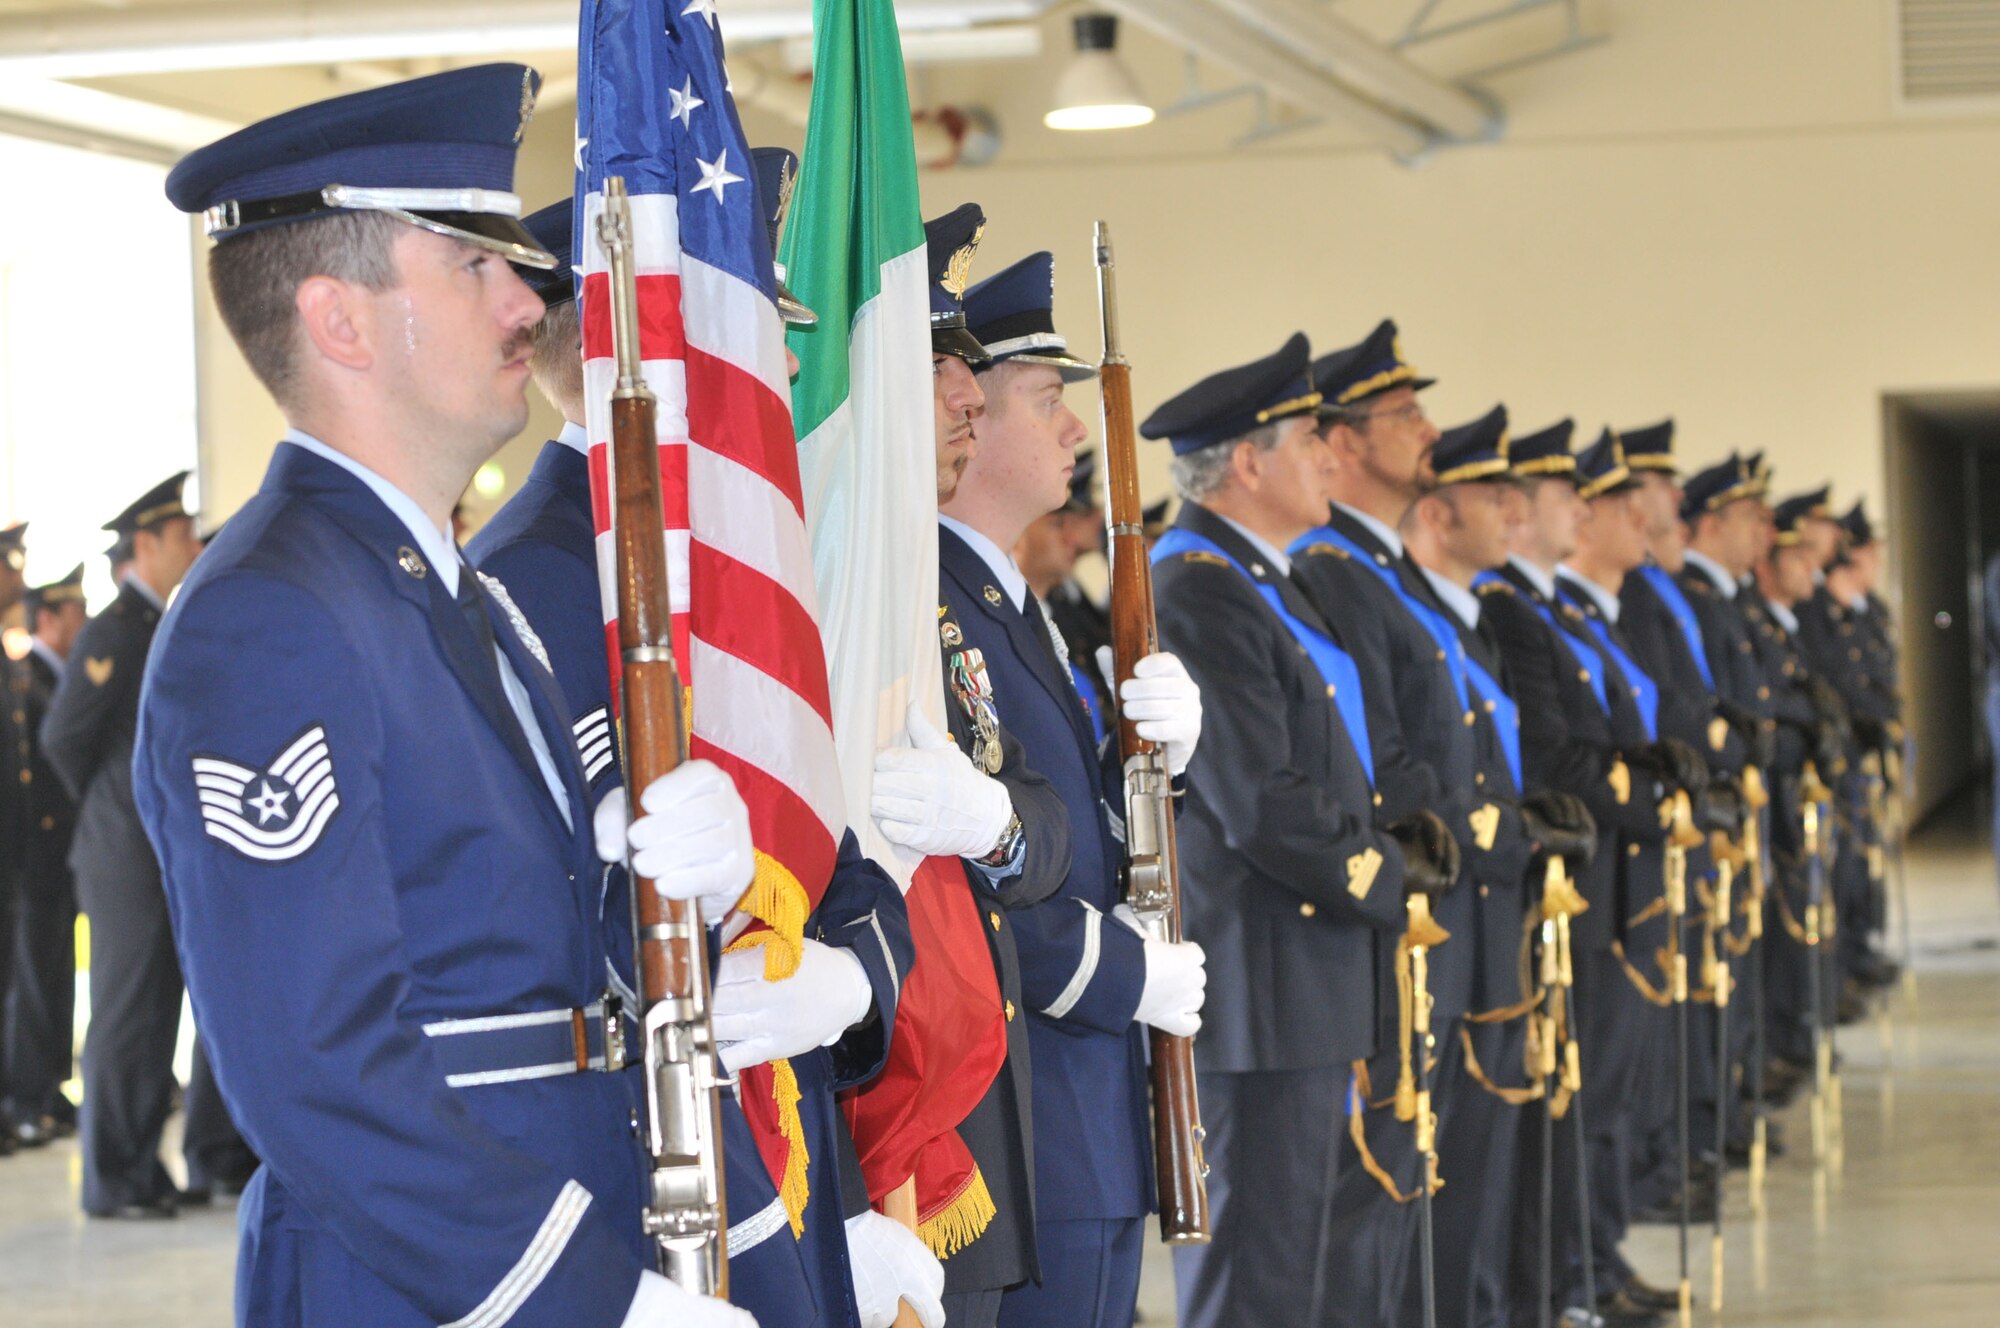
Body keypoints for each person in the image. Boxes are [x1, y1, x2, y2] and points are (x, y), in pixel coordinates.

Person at [146, 63, 760, 1326]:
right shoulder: (270, 614)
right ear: (342, 321)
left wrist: (676, 887)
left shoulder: (446, 590)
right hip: (435, 1277)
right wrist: (588, 1296)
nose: (526, 292)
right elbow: (313, 1068)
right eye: (473, 261)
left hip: (562, 1206)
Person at [468, 166, 935, 1328]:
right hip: (673, 1175)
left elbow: (833, 855)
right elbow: (580, 926)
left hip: (796, 1140)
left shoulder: (737, 571)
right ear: (667, 346)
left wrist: (857, 979)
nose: (783, 367)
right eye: (755, 334)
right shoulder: (532, 575)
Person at [1138, 331, 1458, 1328]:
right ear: (1245, 462)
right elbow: (1260, 798)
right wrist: (1387, 872)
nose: (1330, 457)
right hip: (1265, 974)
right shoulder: (1195, 585)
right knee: (1259, 1267)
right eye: (1308, 439)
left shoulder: (1268, 577)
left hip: (1313, 963)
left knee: (1307, 1258)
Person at [950, 249, 1208, 1328]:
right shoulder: (940, 603)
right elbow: (974, 875)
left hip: (1083, 1109)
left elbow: (1082, 831)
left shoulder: (1014, 601)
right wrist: (1124, 977)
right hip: (1026, 1103)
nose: (1073, 430)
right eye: (1047, 399)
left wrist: (1154, 772)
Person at [1290, 327, 1524, 1327]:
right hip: (1403, 908)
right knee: (1384, 1188)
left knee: (1432, 1178)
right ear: (1340, 444)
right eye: (1402, 415)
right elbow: (1378, 751)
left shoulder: (1385, 572)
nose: (1426, 429)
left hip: (1450, 900)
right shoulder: (1333, 570)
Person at [870, 202, 1076, 1328]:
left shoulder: (953, 593)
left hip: (979, 1087)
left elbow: (1041, 815)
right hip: (899, 1092)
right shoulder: (884, 587)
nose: (963, 392)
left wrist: (995, 820)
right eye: (939, 361)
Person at [1400, 404, 1596, 1328]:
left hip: (1499, 931)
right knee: (1457, 1183)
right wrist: (1519, 833)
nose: (1514, 511)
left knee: (1492, 1171)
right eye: (1495, 494)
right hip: (1449, 935)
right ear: (1438, 514)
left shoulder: (1470, 622)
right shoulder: (1422, 617)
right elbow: (1428, 783)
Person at [41, 471, 256, 1214]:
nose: (194, 547)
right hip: (123, 852)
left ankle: (146, 1170)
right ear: (147, 544)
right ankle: (114, 1178)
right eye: (182, 536)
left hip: (150, 847)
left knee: (158, 1008)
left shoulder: (157, 620)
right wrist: (112, 816)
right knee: (129, 1013)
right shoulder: (115, 629)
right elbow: (64, 738)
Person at [6, 564, 87, 1147]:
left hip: (56, 856)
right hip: (30, 857)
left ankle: (46, 1088)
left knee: (52, 979)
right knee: (29, 982)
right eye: (74, 610)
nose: (84, 620)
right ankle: (25, 1094)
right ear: (50, 618)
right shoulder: (25, 676)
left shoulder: (42, 679)